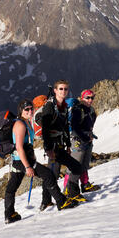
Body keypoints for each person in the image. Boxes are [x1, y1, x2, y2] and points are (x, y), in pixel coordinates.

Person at [4, 99, 79, 224]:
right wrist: (28, 166)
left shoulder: (26, 123)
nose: (30, 111)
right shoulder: (20, 125)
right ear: (21, 111)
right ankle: (61, 202)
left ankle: (9, 215)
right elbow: (19, 147)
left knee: (11, 188)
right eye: (26, 109)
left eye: (31, 108)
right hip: (21, 160)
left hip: (21, 160)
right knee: (48, 175)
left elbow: (27, 144)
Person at [38, 80, 83, 211]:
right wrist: (48, 149)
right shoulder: (49, 107)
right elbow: (45, 129)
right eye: (61, 89)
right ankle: (53, 201)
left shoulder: (63, 106)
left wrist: (68, 145)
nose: (64, 91)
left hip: (61, 146)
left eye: (66, 89)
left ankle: (47, 201)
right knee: (52, 175)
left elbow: (65, 127)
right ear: (55, 90)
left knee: (59, 173)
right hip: (53, 147)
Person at [65, 89, 101, 197]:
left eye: (92, 97)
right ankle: (69, 190)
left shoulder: (91, 110)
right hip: (78, 140)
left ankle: (85, 184)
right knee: (75, 165)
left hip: (86, 139)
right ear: (82, 98)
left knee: (84, 164)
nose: (90, 100)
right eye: (87, 97)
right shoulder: (78, 110)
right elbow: (75, 128)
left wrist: (89, 136)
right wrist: (85, 137)